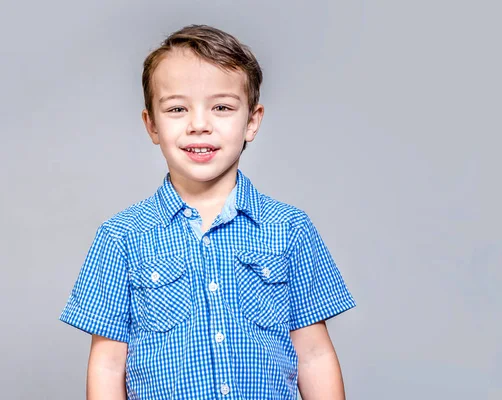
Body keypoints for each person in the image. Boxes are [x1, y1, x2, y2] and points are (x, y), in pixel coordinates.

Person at [59, 24, 356, 400]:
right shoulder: (121, 237)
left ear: (251, 120)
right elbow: (107, 363)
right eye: (178, 108)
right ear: (151, 124)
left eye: (221, 107)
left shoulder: (289, 228)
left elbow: (314, 355)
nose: (199, 125)